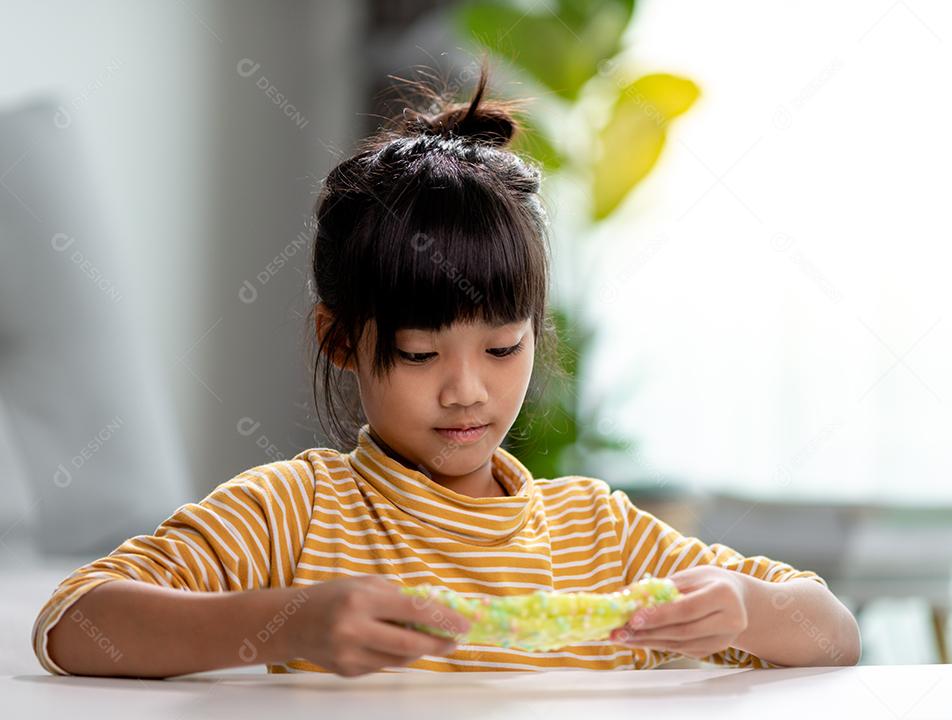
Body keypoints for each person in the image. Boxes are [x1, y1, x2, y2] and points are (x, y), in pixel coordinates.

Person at [31, 61, 860, 678]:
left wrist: (745, 609)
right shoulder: (299, 512)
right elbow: (74, 625)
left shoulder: (596, 536)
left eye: (503, 348)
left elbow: (834, 636)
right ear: (341, 340)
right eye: (422, 354)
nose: (467, 388)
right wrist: (283, 623)